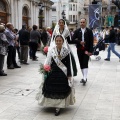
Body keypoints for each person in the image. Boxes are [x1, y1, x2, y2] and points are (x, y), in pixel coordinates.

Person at [36, 35, 75, 116]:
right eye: (57, 40)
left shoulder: (66, 51)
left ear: (63, 41)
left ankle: (58, 106)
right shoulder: (52, 50)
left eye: (60, 41)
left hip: (62, 73)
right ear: (55, 41)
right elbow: (49, 61)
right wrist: (46, 70)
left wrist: (69, 74)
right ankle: (52, 104)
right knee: (51, 87)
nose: (58, 42)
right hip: (53, 71)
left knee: (61, 89)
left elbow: (68, 64)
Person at [72, 18, 93, 85]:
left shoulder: (89, 31)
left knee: (85, 62)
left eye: (83, 22)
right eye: (81, 22)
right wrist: (79, 42)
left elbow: (91, 42)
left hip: (86, 50)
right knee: (81, 63)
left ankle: (84, 78)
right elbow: (73, 39)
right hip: (79, 50)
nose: (82, 23)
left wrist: (90, 51)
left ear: (85, 23)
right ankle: (84, 77)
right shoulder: (77, 31)